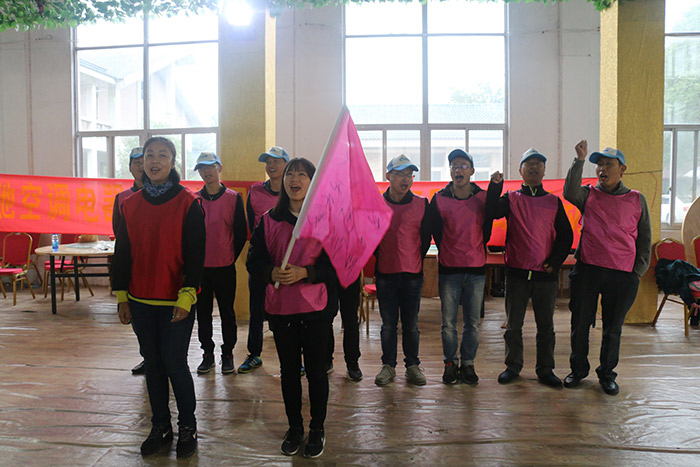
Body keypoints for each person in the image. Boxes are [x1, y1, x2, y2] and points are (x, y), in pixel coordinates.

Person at [111, 136, 205, 458]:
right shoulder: (129, 204)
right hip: (140, 300)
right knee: (153, 365)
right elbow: (122, 253)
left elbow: (196, 254)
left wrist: (187, 294)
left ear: (173, 162)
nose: (153, 161)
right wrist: (122, 296)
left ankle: (188, 427)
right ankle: (160, 426)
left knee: (175, 365)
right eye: (149, 155)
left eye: (162, 155)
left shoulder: (188, 202)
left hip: (175, 301)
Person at [246, 157, 336, 458]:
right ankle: (295, 427)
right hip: (282, 308)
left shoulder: (324, 219)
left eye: (302, 175)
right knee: (288, 372)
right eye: (290, 174)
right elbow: (253, 262)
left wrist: (306, 273)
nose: (294, 180)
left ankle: (317, 428)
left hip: (315, 309)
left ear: (312, 182)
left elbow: (335, 266)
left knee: (316, 372)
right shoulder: (268, 220)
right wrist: (270, 272)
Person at [562, 140, 651, 395]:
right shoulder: (588, 194)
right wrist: (579, 160)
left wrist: (637, 272)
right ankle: (578, 370)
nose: (602, 169)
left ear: (622, 169)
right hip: (588, 270)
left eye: (608, 164)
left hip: (622, 274)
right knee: (580, 324)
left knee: (613, 328)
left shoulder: (636, 199)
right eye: (599, 164)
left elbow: (645, 238)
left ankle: (607, 374)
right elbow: (569, 192)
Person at [486, 148, 573, 388]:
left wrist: (554, 262)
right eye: (529, 164)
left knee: (546, 327)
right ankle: (512, 366)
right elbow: (491, 212)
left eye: (538, 164)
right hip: (517, 273)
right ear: (520, 171)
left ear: (544, 171)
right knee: (514, 326)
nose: (534, 167)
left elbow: (566, 235)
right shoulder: (511, 198)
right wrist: (495, 187)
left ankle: (545, 369)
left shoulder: (553, 202)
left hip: (545, 275)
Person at [428, 149, 493, 385]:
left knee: (472, 323)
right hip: (449, 270)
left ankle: (468, 364)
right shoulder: (439, 198)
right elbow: (435, 230)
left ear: (472, 171)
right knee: (448, 324)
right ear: (450, 171)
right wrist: (448, 250)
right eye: (454, 165)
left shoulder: (483, 197)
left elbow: (488, 227)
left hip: (475, 269)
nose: (459, 170)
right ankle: (450, 363)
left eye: (464, 166)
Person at [374, 154, 431, 386]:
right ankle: (388, 366)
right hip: (385, 274)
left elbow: (425, 239)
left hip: (412, 274)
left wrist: (411, 259)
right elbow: (372, 240)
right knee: (388, 325)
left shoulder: (422, 204)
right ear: (388, 176)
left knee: (411, 325)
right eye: (400, 174)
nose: (405, 179)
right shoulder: (377, 205)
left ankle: (412, 365)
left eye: (409, 174)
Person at [193, 152, 247, 375]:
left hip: (224, 267)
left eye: (210, 167)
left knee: (227, 313)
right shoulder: (194, 199)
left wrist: (229, 256)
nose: (206, 172)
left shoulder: (233, 198)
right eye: (202, 168)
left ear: (219, 168)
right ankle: (207, 353)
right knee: (203, 313)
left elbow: (241, 232)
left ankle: (228, 353)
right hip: (200, 269)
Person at [238, 146, 289, 374]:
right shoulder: (255, 191)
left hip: (287, 261)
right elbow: (252, 225)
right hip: (262, 261)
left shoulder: (294, 191)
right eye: (268, 162)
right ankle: (254, 354)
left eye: (276, 161)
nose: (271, 166)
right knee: (257, 309)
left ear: (286, 164)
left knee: (287, 312)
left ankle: (292, 357)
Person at [111, 146, 147, 376]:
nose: (141, 166)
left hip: (160, 265)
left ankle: (165, 359)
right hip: (134, 267)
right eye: (136, 162)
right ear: (130, 168)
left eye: (144, 161)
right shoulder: (122, 198)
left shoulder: (166, 196)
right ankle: (148, 357)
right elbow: (119, 234)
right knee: (138, 318)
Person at [326, 275, 363, 381]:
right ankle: (326, 360)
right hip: (328, 274)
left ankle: (352, 363)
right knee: (326, 320)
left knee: (351, 322)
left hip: (350, 275)